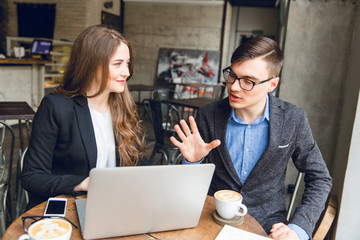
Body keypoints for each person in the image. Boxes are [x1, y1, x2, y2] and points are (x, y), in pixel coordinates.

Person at [170, 36, 332, 240]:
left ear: (272, 84)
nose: (234, 87)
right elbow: (184, 189)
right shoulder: (207, 115)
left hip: (267, 228)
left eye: (248, 81)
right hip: (211, 221)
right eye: (232, 75)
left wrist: (299, 228)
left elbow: (320, 178)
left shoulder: (293, 120)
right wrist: (192, 163)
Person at [22, 25, 147, 209]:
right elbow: (32, 177)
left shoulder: (123, 107)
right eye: (118, 64)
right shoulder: (56, 107)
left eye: (127, 63)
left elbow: (141, 164)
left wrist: (188, 161)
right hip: (70, 208)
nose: (127, 72)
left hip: (114, 207)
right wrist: (83, 183)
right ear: (91, 64)